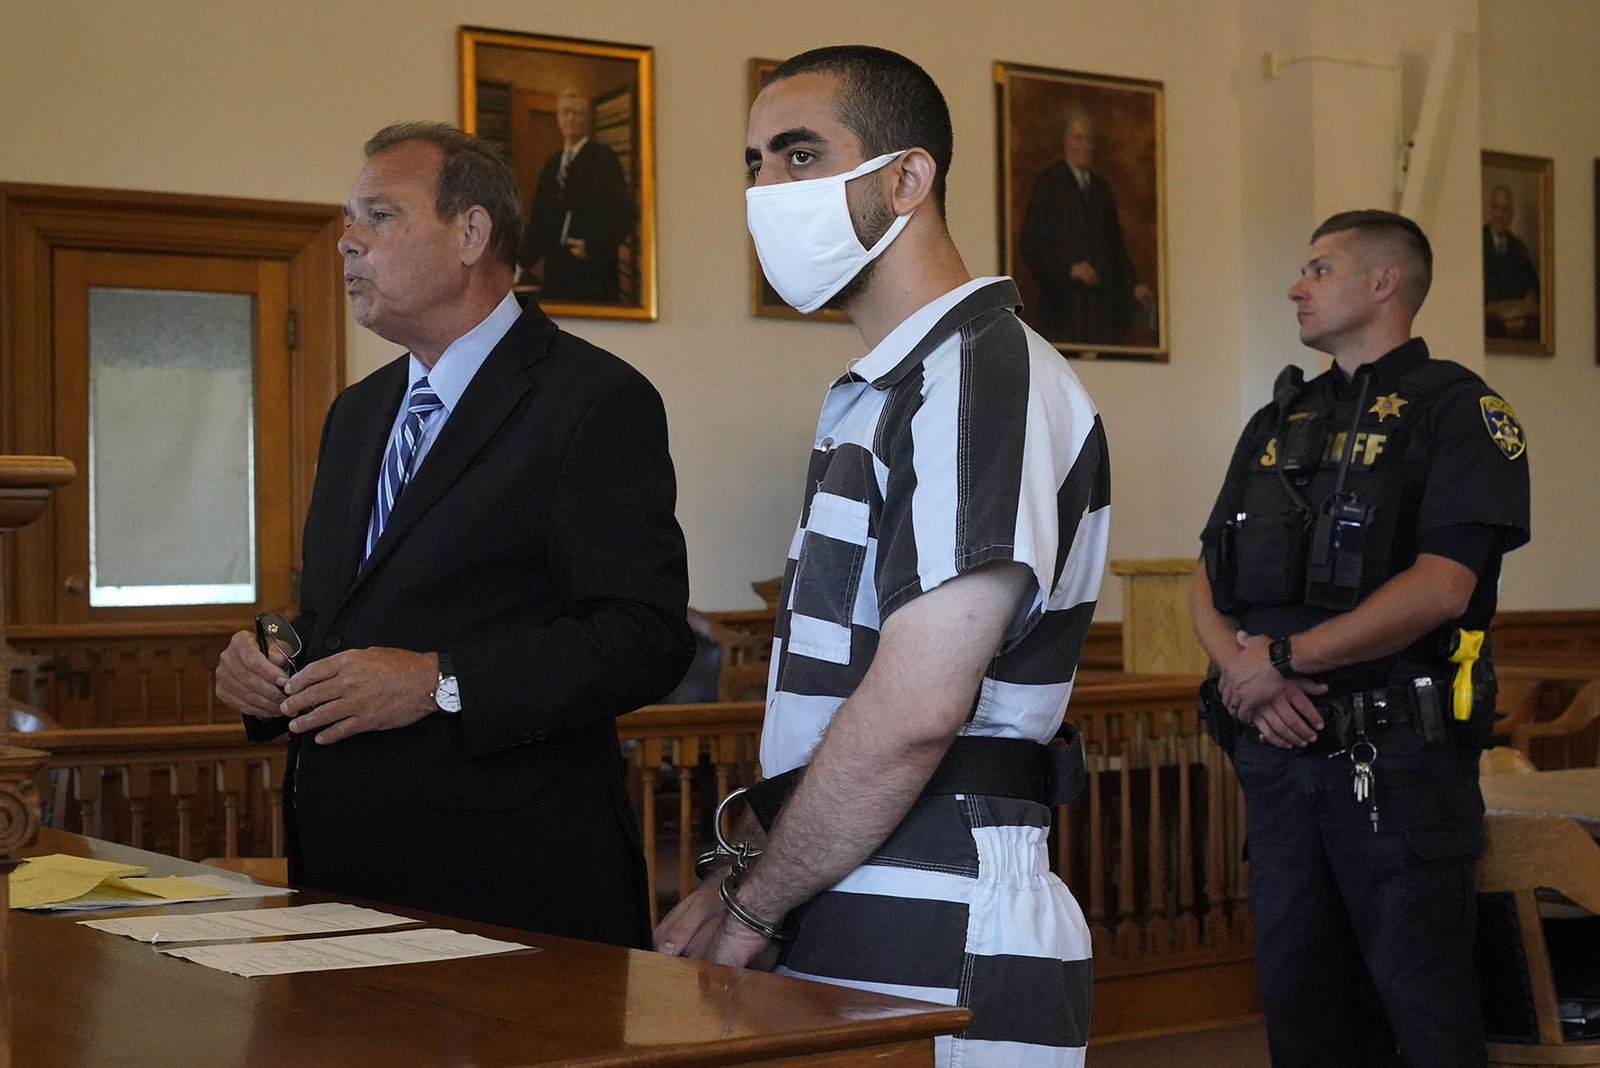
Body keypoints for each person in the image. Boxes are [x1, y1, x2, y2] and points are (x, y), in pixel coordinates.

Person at [656, 46, 1109, 1068]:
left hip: (940, 891)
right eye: (755, 164)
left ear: (907, 178)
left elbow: (915, 712)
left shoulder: (979, 373)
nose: (767, 191)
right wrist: (756, 873)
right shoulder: (896, 383)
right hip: (848, 870)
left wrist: (756, 902)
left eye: (801, 155)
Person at [214, 121, 693, 948]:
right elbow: (350, 615)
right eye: (349, 219)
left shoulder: (591, 400)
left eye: (379, 216)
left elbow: (641, 636)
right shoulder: (357, 412)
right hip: (343, 875)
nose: (347, 241)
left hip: (511, 885)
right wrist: (269, 666)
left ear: (471, 233)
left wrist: (441, 682)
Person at [1189, 210, 1530, 1067]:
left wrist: (1281, 662)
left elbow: (1442, 586)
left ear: (1384, 283)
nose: (1296, 288)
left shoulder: (1460, 410)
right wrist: (1244, 676)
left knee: (1423, 1010)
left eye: (1320, 269)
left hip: (1400, 762)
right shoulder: (1278, 420)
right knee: (1300, 1006)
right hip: (1278, 756)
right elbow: (1207, 575)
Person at [1019, 111, 1152, 346]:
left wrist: (1133, 285)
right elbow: (1031, 244)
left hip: (1100, 311)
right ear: (1066, 141)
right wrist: (1069, 270)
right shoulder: (1050, 183)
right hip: (1063, 308)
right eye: (1078, 138)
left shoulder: (1101, 190)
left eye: (1089, 139)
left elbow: (1115, 247)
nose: (1085, 146)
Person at [517, 88, 637, 304]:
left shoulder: (604, 159)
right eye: (565, 112)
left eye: (577, 113)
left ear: (586, 119)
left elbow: (626, 215)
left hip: (594, 273)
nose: (571, 119)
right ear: (558, 117)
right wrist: (521, 263)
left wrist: (591, 246)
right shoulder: (552, 165)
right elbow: (539, 219)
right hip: (557, 271)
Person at [1482, 184, 1540, 338]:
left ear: (1511, 215)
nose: (1500, 215)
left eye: (1505, 210)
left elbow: (1531, 282)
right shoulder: (1477, 241)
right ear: (1490, 210)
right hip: (1487, 323)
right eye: (1496, 208)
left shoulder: (1518, 247)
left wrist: (1531, 296)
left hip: (1513, 320)